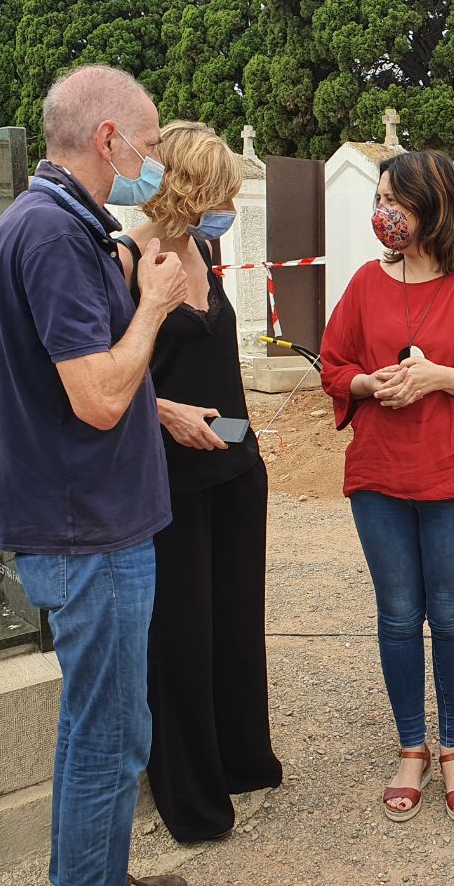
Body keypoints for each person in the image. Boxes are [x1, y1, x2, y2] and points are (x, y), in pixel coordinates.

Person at [0, 66, 188, 886]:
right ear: (108, 139)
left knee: (90, 726)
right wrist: (154, 304)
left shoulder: (49, 220)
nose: (154, 159)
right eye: (151, 143)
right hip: (89, 530)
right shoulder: (54, 233)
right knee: (113, 740)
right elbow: (95, 399)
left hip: (79, 518)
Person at [320, 150, 454, 825]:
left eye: (396, 201)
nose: (383, 213)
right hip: (380, 473)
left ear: (433, 208)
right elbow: (334, 362)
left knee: (453, 612)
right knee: (397, 614)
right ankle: (411, 745)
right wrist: (365, 383)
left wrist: (442, 377)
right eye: (379, 198)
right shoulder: (363, 284)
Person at [116, 121, 283, 841]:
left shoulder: (204, 247)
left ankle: (239, 759)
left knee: (234, 626)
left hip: (236, 470)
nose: (230, 208)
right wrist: (160, 411)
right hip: (170, 484)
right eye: (219, 193)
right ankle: (191, 795)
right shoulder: (124, 257)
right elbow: (96, 375)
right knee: (180, 636)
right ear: (186, 188)